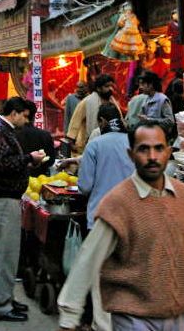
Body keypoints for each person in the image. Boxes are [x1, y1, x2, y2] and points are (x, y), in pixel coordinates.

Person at [57, 121, 184, 331]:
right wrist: (69, 315)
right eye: (144, 149)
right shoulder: (118, 202)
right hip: (133, 316)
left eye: (158, 148)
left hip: (177, 314)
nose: (152, 157)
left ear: (168, 152)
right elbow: (88, 259)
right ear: (131, 155)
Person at [0, 97, 45, 322]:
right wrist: (29, 158)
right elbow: (2, 164)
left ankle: (5, 298)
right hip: (0, 201)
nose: (26, 121)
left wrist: (27, 161)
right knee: (2, 255)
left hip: (6, 199)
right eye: (25, 116)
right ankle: (0, 306)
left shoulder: (2, 130)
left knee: (8, 255)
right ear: (15, 113)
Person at [75, 103, 135, 331]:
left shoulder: (96, 144)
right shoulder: (135, 142)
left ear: (101, 122)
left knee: (101, 277)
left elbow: (84, 186)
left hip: (101, 219)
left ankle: (102, 325)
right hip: (131, 217)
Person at [66, 74, 122, 155]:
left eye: (111, 86)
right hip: (87, 144)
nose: (110, 89)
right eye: (107, 86)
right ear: (98, 88)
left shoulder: (113, 102)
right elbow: (75, 122)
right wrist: (71, 142)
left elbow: (119, 120)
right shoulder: (87, 102)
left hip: (109, 144)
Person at [125, 71, 174, 137]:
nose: (140, 87)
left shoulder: (162, 99)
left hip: (158, 136)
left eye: (142, 84)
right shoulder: (147, 98)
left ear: (150, 85)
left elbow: (170, 121)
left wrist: (150, 120)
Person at [15, 100, 56, 177]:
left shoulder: (11, 134)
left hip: (16, 180)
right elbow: (51, 161)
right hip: (40, 180)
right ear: (34, 116)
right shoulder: (45, 135)